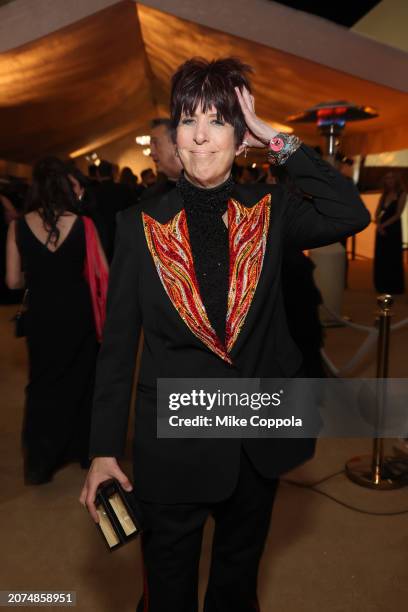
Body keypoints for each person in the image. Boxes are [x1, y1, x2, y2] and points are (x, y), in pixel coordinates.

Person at [80, 58, 370, 611]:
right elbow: (117, 350)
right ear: (175, 135)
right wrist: (101, 451)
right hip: (173, 443)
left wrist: (276, 139)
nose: (200, 134)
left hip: (252, 442)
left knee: (237, 588)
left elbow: (347, 211)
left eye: (218, 120)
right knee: (166, 591)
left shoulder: (271, 210)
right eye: (189, 120)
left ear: (240, 138)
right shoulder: (138, 227)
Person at [6, 157, 106, 485]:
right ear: (65, 188)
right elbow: (102, 271)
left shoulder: (17, 226)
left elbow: (12, 282)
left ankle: (40, 462)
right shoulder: (83, 224)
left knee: (41, 385)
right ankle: (83, 450)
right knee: (82, 379)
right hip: (78, 313)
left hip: (42, 314)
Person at [373, 171, 406, 294]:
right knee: (381, 257)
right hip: (381, 228)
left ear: (396, 179)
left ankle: (394, 286)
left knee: (392, 257)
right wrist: (378, 223)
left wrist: (382, 226)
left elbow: (398, 214)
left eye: (391, 178)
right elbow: (377, 212)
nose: (389, 180)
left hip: (393, 229)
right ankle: (381, 285)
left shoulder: (402, 194)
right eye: (387, 178)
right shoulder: (384, 194)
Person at [141, 118, 183, 200]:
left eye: (155, 143)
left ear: (177, 143)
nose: (151, 152)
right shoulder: (151, 198)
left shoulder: (209, 186)